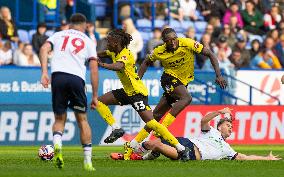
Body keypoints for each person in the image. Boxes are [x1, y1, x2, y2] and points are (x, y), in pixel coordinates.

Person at [123, 27, 227, 159]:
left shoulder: (188, 43)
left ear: (177, 37)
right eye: (168, 41)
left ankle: (132, 145)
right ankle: (162, 130)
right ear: (163, 41)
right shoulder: (159, 51)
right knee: (186, 98)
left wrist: (218, 75)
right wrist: (137, 81)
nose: (172, 42)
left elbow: (210, 54)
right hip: (169, 79)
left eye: (174, 39)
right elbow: (145, 62)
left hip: (182, 82)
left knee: (155, 116)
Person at [96, 29, 190, 161]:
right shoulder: (112, 51)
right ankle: (116, 128)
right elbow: (100, 53)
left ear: (116, 42)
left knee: (152, 123)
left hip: (137, 93)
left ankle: (180, 148)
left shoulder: (126, 54)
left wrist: (101, 64)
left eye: (109, 40)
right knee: (98, 102)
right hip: (127, 91)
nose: (107, 42)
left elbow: (118, 66)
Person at [39, 13, 99, 171]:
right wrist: (94, 96)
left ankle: (57, 145)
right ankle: (87, 162)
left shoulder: (58, 35)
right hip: (76, 79)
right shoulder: (87, 40)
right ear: (85, 25)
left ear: (70, 24)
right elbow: (94, 68)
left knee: (59, 118)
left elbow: (44, 48)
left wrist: (44, 72)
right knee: (82, 120)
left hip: (58, 76)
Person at [111, 107, 281, 161]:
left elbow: (244, 157)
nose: (230, 128)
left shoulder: (228, 149)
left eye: (231, 127)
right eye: (228, 125)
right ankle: (136, 154)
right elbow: (203, 121)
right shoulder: (211, 131)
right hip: (185, 141)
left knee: (155, 144)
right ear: (219, 127)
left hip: (192, 154)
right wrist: (219, 112)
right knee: (154, 140)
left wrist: (266, 158)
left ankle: (134, 156)